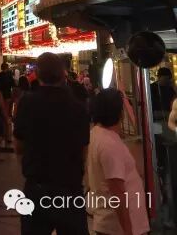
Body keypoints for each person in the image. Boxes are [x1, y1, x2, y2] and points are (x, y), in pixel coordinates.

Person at [13, 51, 90, 235]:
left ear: (37, 74)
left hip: (37, 186)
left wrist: (28, 166)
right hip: (69, 188)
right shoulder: (78, 107)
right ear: (63, 74)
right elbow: (83, 150)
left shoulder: (27, 103)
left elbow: (18, 145)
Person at [87, 89, 149, 235]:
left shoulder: (97, 134)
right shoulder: (109, 145)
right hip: (117, 227)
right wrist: (128, 230)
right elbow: (117, 192)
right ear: (119, 113)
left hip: (111, 223)